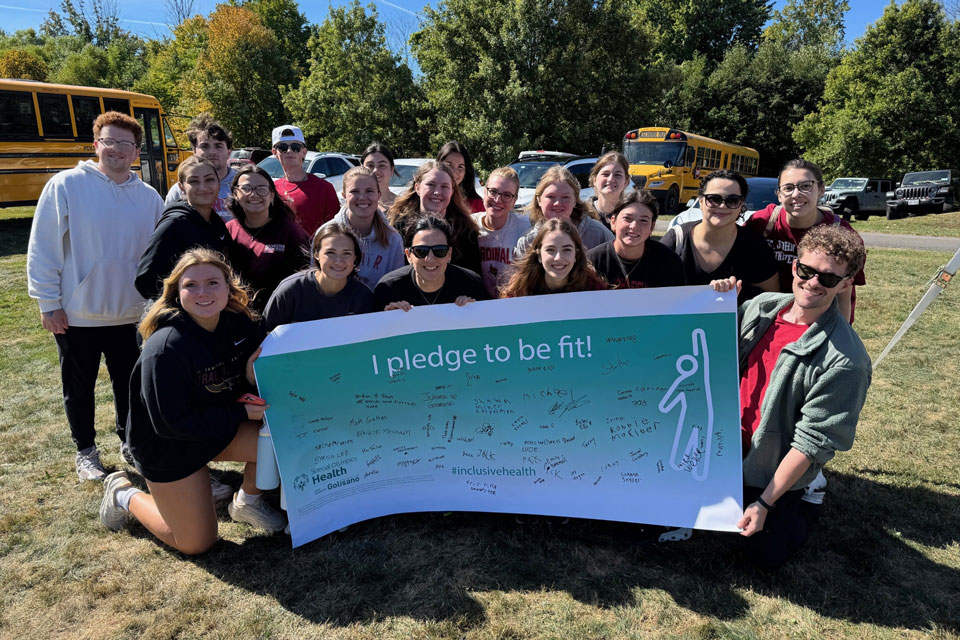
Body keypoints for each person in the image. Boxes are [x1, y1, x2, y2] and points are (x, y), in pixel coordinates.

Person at [99, 249, 286, 553]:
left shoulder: (240, 325)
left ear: (228, 287)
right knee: (196, 543)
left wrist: (251, 379)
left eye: (212, 283)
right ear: (177, 293)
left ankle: (247, 503)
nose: (203, 293)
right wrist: (239, 413)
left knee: (281, 442)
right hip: (168, 445)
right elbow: (171, 424)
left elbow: (238, 385)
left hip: (215, 427)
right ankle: (123, 494)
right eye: (191, 285)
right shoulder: (165, 348)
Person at [710, 225, 870, 569]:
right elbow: (708, 354)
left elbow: (812, 442)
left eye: (828, 278)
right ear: (795, 266)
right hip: (723, 448)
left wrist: (765, 503)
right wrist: (716, 305)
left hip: (768, 469)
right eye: (807, 271)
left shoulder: (846, 361)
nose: (813, 283)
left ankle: (807, 501)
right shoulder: (759, 308)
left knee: (763, 558)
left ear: (845, 284)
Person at [26, 111, 164, 480]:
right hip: (77, 314)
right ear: (95, 144)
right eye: (109, 141)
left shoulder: (149, 197)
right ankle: (85, 451)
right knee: (79, 387)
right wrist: (48, 303)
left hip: (132, 314)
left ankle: (130, 442)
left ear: (136, 151)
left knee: (129, 386)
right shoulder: (67, 185)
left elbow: (157, 254)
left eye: (125, 144)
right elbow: (44, 247)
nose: (117, 149)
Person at [743, 158, 866, 324]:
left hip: (819, 323)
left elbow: (844, 296)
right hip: (769, 320)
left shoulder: (842, 234)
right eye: (788, 188)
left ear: (821, 190)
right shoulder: (762, 223)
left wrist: (841, 333)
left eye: (806, 186)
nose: (796, 194)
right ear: (779, 195)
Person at [659, 170, 779, 303]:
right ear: (701, 201)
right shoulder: (676, 239)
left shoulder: (755, 248)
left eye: (733, 200)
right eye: (714, 199)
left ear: (741, 205)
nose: (722, 206)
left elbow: (770, 301)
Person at [135, 156, 232, 301]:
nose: (203, 187)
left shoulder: (216, 223)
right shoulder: (174, 224)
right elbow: (145, 280)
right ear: (182, 187)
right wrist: (182, 304)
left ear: (218, 184)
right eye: (194, 181)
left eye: (209, 180)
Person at [225, 165, 309, 313]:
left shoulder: (290, 232)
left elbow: (306, 277)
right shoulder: (229, 229)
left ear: (272, 195)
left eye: (261, 189)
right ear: (235, 194)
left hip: (279, 313)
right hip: (236, 313)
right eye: (246, 188)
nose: (254, 194)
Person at [263, 223, 374, 333]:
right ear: (316, 254)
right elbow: (266, 336)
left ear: (355, 257)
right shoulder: (290, 291)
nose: (339, 261)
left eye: (346, 253)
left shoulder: (363, 297)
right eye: (330, 252)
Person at [388, 160, 483, 276]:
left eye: (444, 186)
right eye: (431, 185)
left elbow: (473, 276)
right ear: (417, 187)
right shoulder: (398, 226)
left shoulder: (465, 229)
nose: (437, 192)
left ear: (452, 191)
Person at [373, 216, 488, 311]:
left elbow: (486, 326)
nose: (430, 259)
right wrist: (388, 317)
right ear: (408, 255)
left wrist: (475, 311)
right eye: (421, 251)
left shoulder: (472, 285)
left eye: (439, 250)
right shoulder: (388, 288)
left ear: (449, 254)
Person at [317, 167, 404, 290]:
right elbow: (316, 281)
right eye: (354, 191)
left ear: (379, 195)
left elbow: (396, 287)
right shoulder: (325, 235)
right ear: (344, 196)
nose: (362, 197)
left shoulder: (393, 239)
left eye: (369, 191)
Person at [587, 190, 684, 289]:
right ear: (613, 222)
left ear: (652, 227)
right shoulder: (592, 262)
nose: (634, 226)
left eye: (643, 220)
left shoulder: (669, 262)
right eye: (627, 218)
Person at [514, 165, 613, 258]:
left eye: (565, 197)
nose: (557, 203)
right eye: (551, 196)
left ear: (575, 201)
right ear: (539, 200)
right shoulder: (528, 242)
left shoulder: (597, 234)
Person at [501, 218, 607, 297]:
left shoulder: (593, 288)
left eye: (567, 250)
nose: (558, 258)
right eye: (550, 250)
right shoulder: (520, 289)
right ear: (539, 255)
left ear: (576, 254)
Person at [471, 167, 532, 297]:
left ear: (514, 200)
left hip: (512, 303)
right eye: (493, 191)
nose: (498, 200)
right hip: (475, 302)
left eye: (507, 195)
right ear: (484, 192)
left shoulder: (526, 229)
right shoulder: (469, 225)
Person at [164, 113, 236, 221]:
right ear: (194, 151)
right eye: (205, 146)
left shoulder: (243, 185)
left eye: (218, 146)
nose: (212, 152)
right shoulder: (181, 190)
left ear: (229, 152)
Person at [271, 125, 339, 236]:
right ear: (274, 152)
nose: (289, 151)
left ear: (304, 152)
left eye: (295, 147)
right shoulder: (271, 189)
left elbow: (335, 230)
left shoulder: (324, 188)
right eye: (282, 147)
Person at [437, 141, 484, 213]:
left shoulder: (477, 205)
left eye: (460, 167)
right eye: (448, 165)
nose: (454, 172)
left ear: (466, 171)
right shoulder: (430, 198)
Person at [585, 151, 630, 227]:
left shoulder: (631, 215)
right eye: (605, 174)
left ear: (626, 182)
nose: (610, 179)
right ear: (594, 180)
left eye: (617, 175)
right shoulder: (581, 213)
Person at [361, 142, 399, 212]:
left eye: (382, 166)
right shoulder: (355, 203)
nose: (375, 170)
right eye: (370, 165)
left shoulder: (403, 205)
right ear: (361, 168)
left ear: (391, 170)